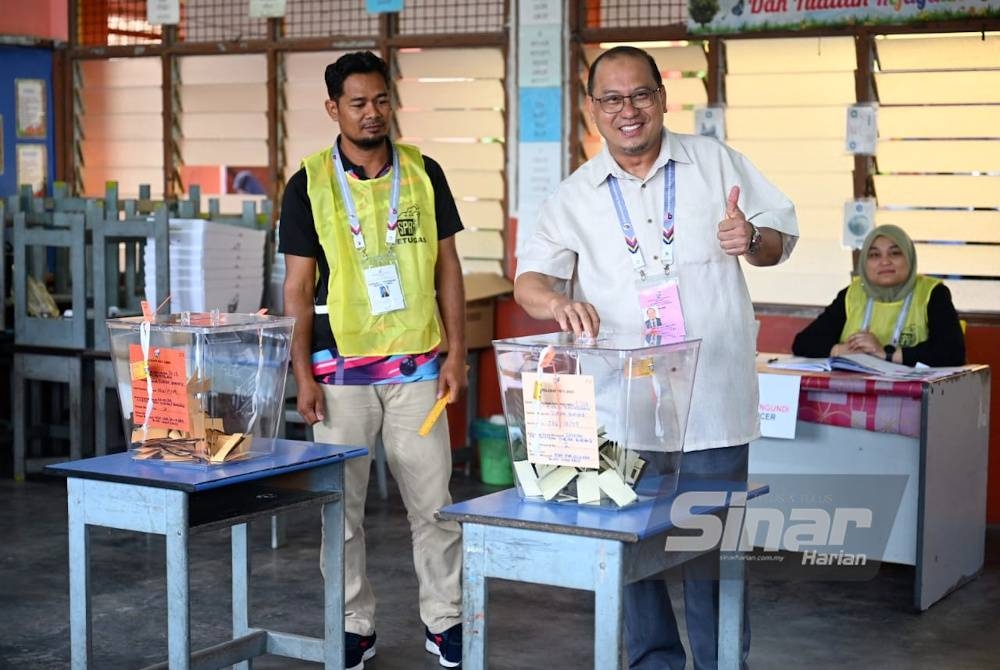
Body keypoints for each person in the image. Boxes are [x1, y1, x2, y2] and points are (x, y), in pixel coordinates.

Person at [513, 46, 798, 670]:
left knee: (711, 555)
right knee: (631, 552)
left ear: (662, 96)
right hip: (623, 408)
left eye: (640, 94)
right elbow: (528, 280)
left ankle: (723, 662)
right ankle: (653, 664)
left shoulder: (713, 162)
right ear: (593, 110)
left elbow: (782, 239)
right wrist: (556, 303)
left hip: (714, 404)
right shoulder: (573, 197)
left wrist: (752, 239)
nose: (628, 110)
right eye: (612, 99)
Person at [279, 51, 465, 670]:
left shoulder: (423, 172)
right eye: (357, 103)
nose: (372, 113)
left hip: (418, 370)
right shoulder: (307, 182)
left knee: (434, 506)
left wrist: (458, 352)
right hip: (340, 377)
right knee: (343, 512)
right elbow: (298, 289)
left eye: (381, 100)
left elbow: (447, 269)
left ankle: (447, 622)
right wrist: (302, 374)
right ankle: (354, 625)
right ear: (333, 108)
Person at [792, 224, 965, 366]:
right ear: (864, 263)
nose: (884, 261)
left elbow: (952, 352)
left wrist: (885, 353)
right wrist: (841, 350)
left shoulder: (932, 294)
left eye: (895, 253)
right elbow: (803, 343)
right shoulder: (852, 294)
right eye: (874, 255)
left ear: (909, 257)